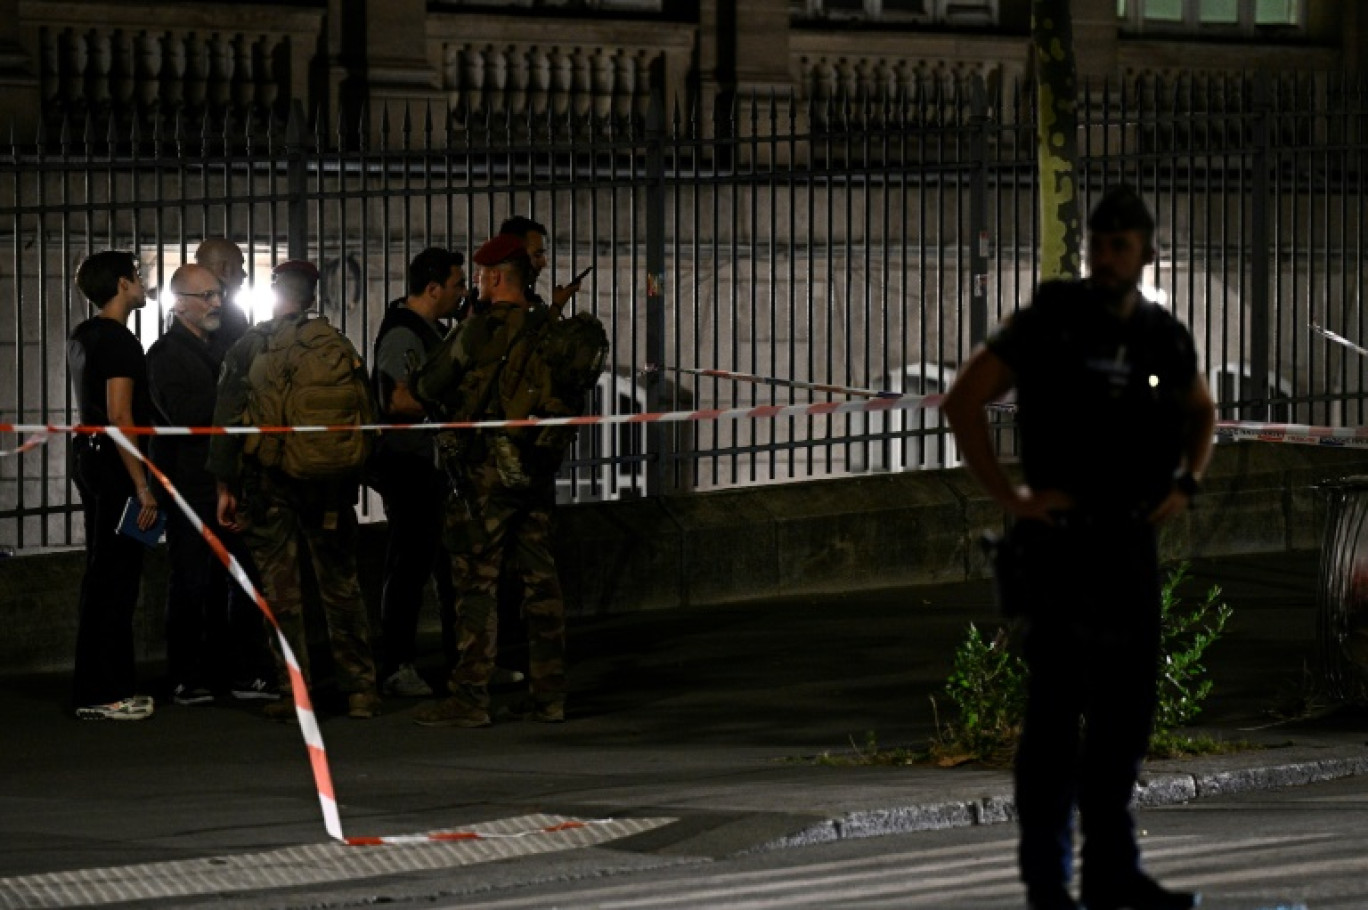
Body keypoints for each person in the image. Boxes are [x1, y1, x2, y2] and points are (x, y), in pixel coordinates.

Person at [942, 186, 1214, 910]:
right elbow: (963, 401)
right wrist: (1012, 498)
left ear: (1146, 253)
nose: (1103, 254)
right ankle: (1047, 881)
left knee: (1126, 716)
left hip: (1128, 542)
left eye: (1119, 243)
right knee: (1057, 716)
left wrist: (1186, 481)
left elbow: (1202, 411)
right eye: (1097, 241)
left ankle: (1110, 872)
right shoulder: (1052, 320)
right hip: (1060, 547)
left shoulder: (1160, 333)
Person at [208, 260, 382, 720]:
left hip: (268, 485)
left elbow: (225, 420)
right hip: (327, 487)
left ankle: (295, 693)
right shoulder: (338, 346)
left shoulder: (249, 348)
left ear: (274, 291)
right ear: (312, 296)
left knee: (281, 593)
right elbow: (366, 416)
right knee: (341, 586)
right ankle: (361, 690)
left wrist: (225, 486)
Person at [413, 234, 568, 728]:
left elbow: (427, 385)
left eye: (481, 277)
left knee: (476, 583)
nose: (477, 284)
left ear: (497, 278)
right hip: (535, 470)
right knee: (541, 584)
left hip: (484, 475)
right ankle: (550, 695)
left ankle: (471, 697)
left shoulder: (479, 331)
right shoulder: (549, 328)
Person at [146, 263, 277, 706]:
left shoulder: (225, 348)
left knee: (243, 579)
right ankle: (187, 675)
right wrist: (236, 395)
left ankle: (241, 670)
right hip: (192, 484)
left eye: (218, 294)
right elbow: (182, 414)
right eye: (206, 296)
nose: (217, 302)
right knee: (192, 581)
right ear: (179, 303)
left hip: (230, 479)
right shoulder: (165, 356)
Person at [66, 250, 159, 720]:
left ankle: (102, 686)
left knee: (103, 575)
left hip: (90, 460)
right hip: (118, 469)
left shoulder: (83, 336)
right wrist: (142, 485)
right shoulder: (119, 341)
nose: (143, 284)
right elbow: (121, 414)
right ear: (122, 284)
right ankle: (104, 693)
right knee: (116, 580)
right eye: (138, 277)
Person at [371, 248, 466, 698]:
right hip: (408, 464)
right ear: (433, 289)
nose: (462, 293)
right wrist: (449, 407)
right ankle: (396, 665)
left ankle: (462, 662)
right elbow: (397, 401)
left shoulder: (429, 330)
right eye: (457, 285)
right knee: (408, 568)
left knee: (443, 566)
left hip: (426, 463)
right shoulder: (403, 335)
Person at [497, 215, 585, 311]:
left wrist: (558, 304)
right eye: (537, 255)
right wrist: (556, 306)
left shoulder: (529, 297)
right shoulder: (487, 303)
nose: (543, 263)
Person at [194, 237, 251, 351]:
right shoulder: (231, 314)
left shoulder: (183, 306)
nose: (244, 274)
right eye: (240, 266)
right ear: (225, 269)